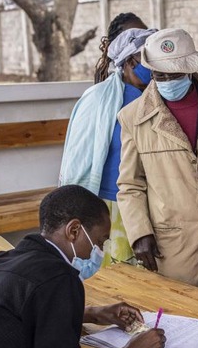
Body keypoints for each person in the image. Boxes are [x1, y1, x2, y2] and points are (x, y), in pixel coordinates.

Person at [0, 185, 166, 348]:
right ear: (74, 230)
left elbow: (21, 318)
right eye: (100, 241)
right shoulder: (59, 279)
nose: (97, 250)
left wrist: (93, 313)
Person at [117, 28, 198, 295]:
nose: (167, 80)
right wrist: (139, 233)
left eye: (174, 74)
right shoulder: (133, 117)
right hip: (174, 245)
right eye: (160, 74)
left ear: (190, 69)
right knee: (186, 317)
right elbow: (130, 185)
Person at [60, 26, 157, 265]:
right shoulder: (98, 98)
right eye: (148, 59)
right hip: (103, 202)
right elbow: (78, 155)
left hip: (140, 201)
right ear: (130, 62)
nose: (154, 67)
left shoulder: (153, 98)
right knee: (105, 273)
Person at [94, 12, 148, 83]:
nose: (142, 43)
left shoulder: (162, 82)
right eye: (134, 39)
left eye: (146, 35)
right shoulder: (107, 91)